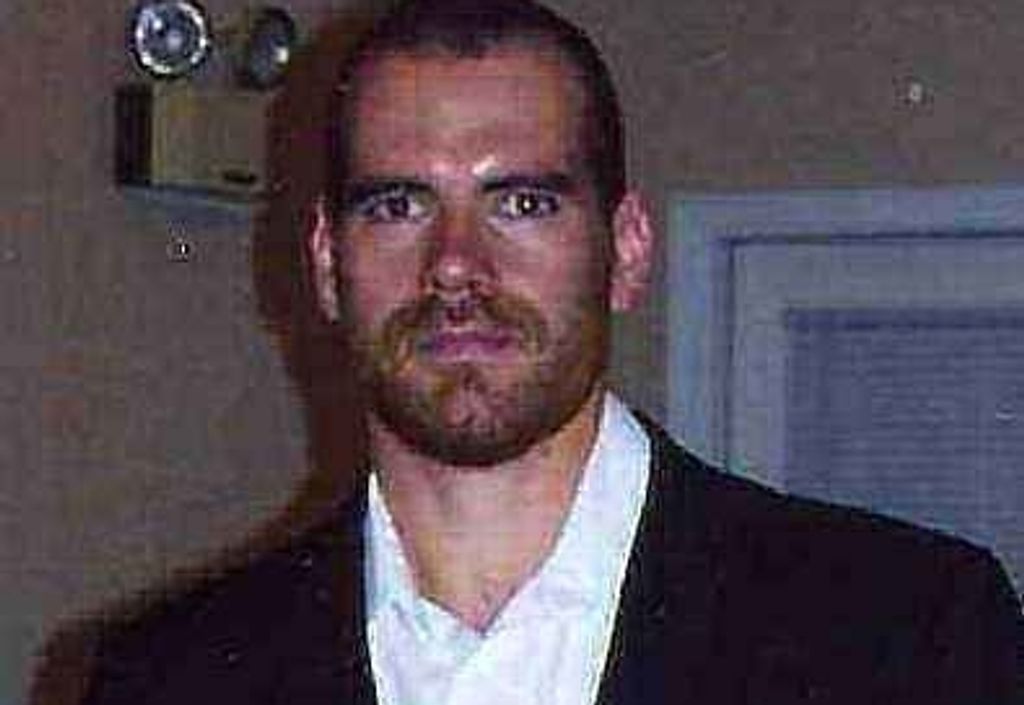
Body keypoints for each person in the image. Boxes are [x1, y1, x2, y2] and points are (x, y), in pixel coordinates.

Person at [82, 1, 1022, 703]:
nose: (456, 263)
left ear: (627, 249)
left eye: (522, 203)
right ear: (329, 263)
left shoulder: (908, 640)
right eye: (399, 205)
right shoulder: (168, 679)